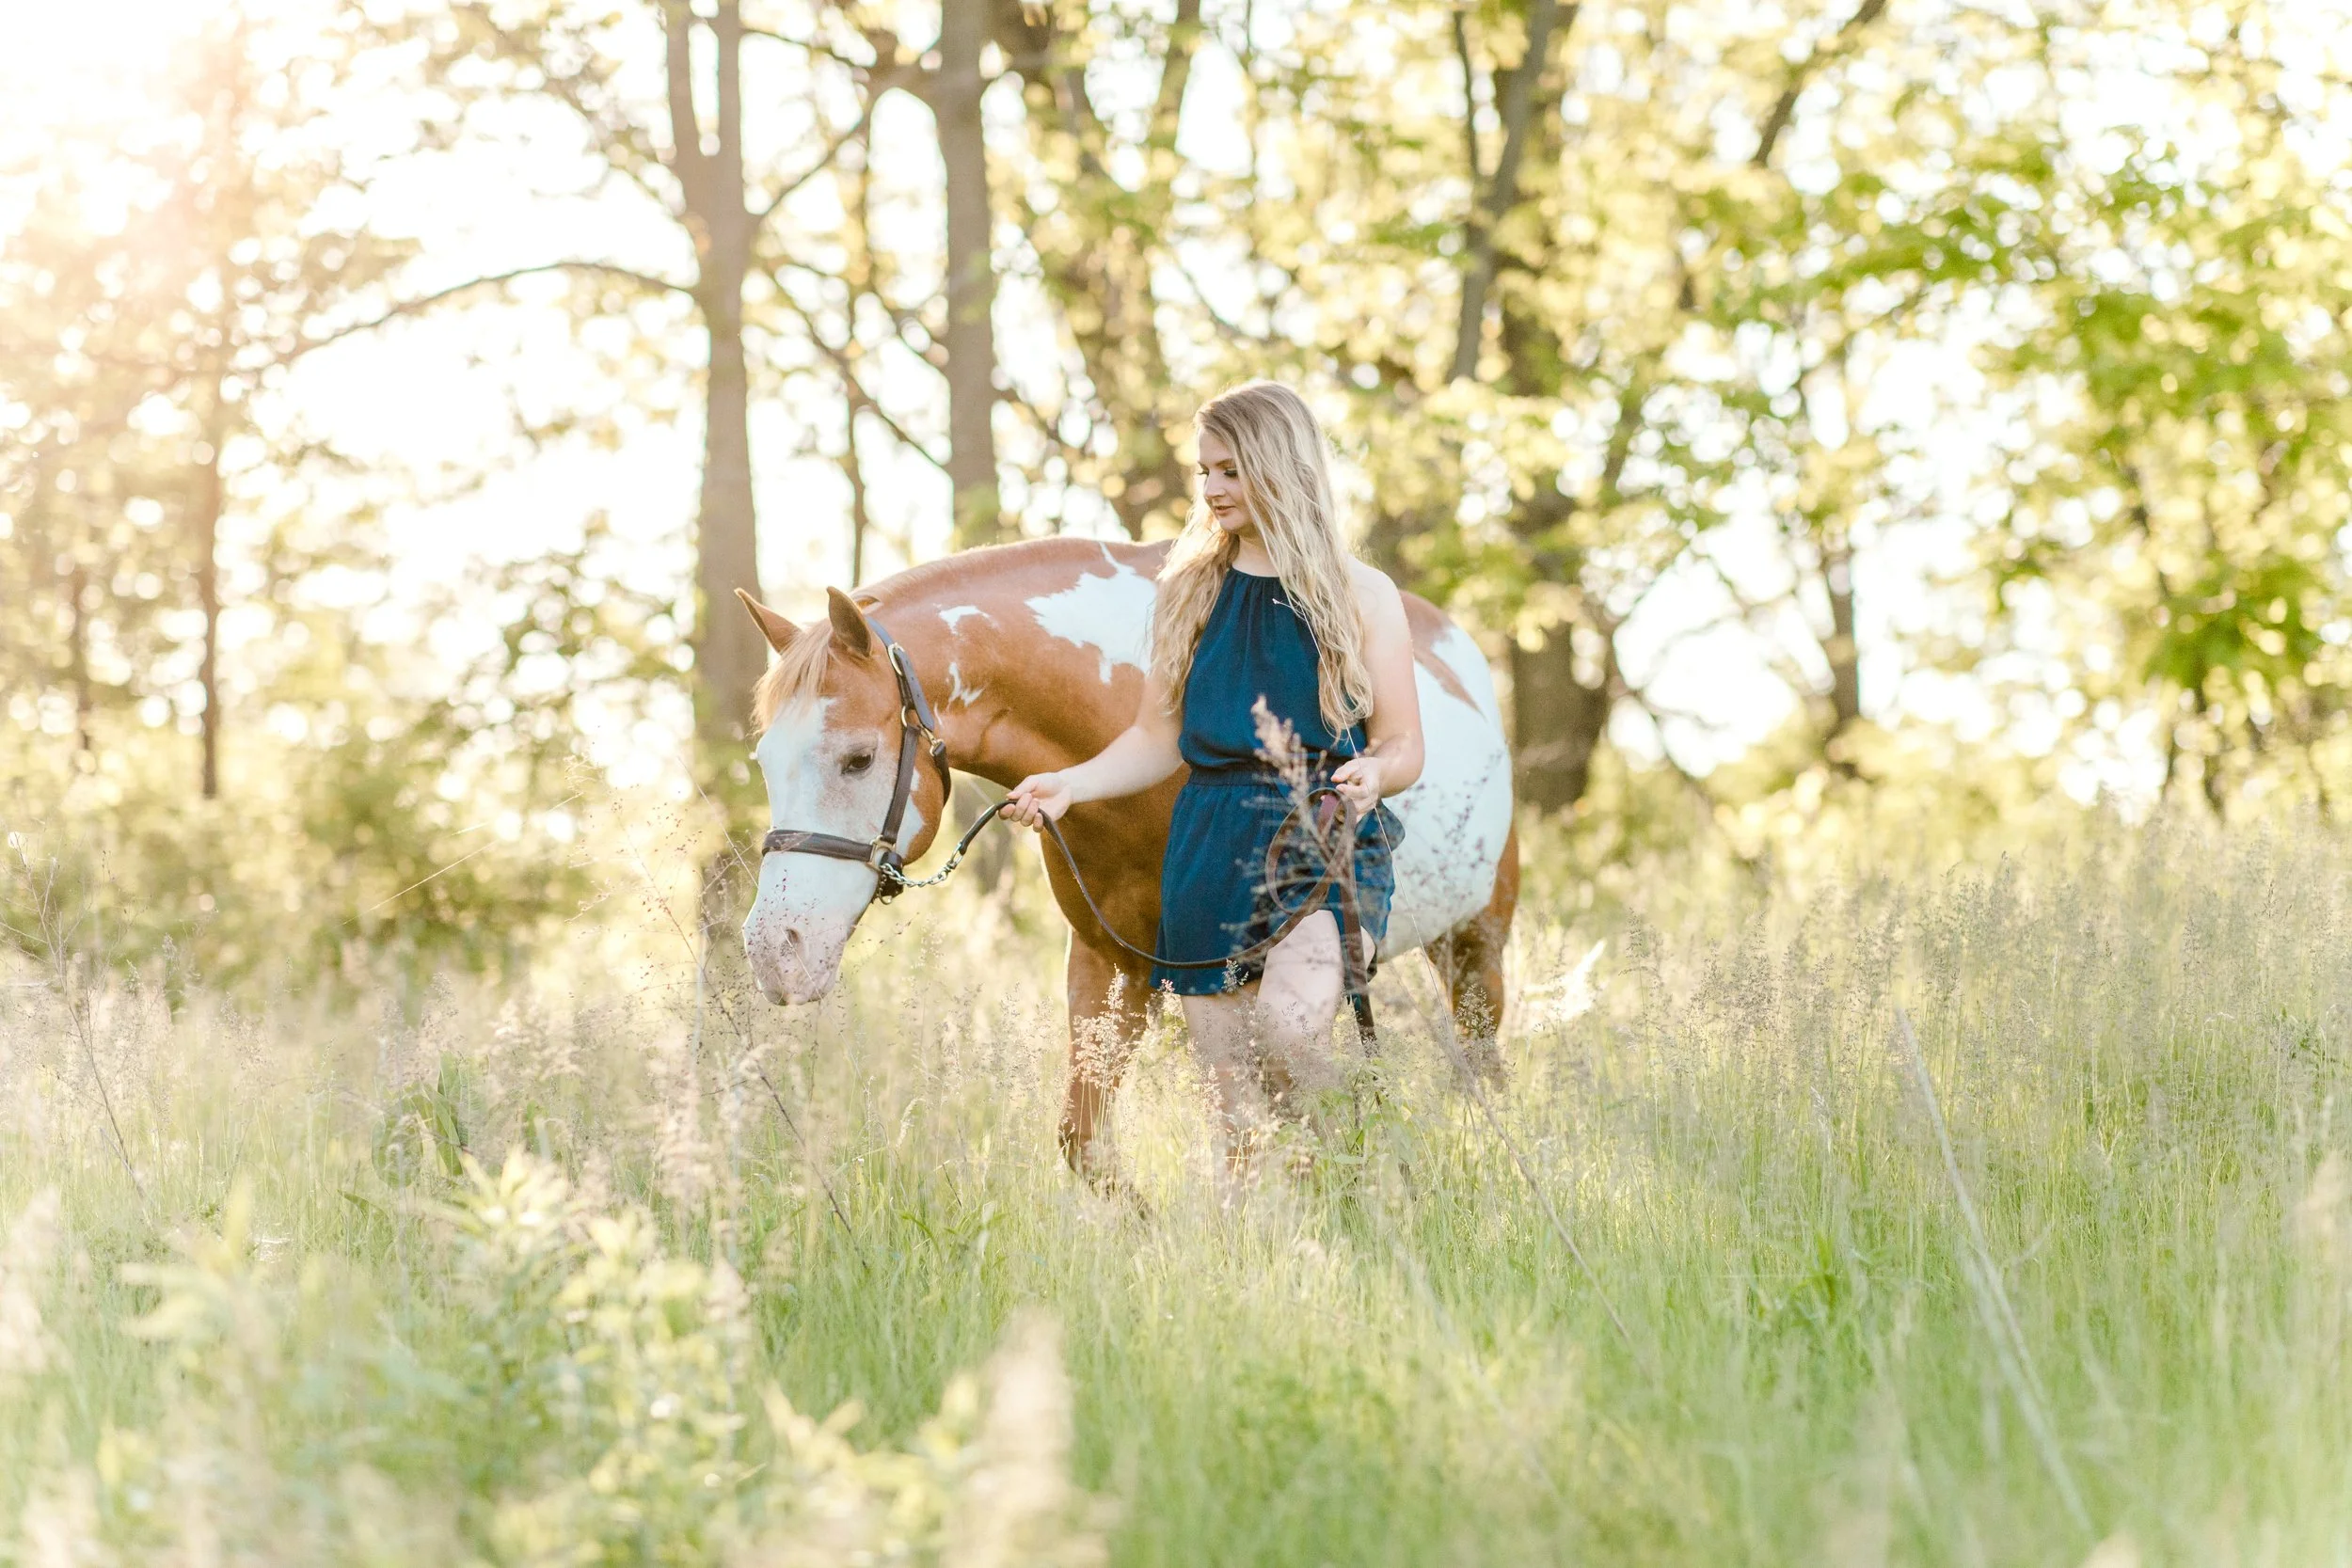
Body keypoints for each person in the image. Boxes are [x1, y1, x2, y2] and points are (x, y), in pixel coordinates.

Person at [1004, 381, 1424, 1173]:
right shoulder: (1189, 587)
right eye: (1204, 472)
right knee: (1230, 1112)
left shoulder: (1361, 593)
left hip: (1322, 837)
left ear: (1280, 465)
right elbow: (1156, 737)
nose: (1212, 490)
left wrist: (1374, 773)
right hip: (1208, 838)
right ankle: (1255, 1256)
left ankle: (1361, 1183)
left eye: (1230, 470)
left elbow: (1405, 742)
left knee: (1290, 1039)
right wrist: (1071, 783)